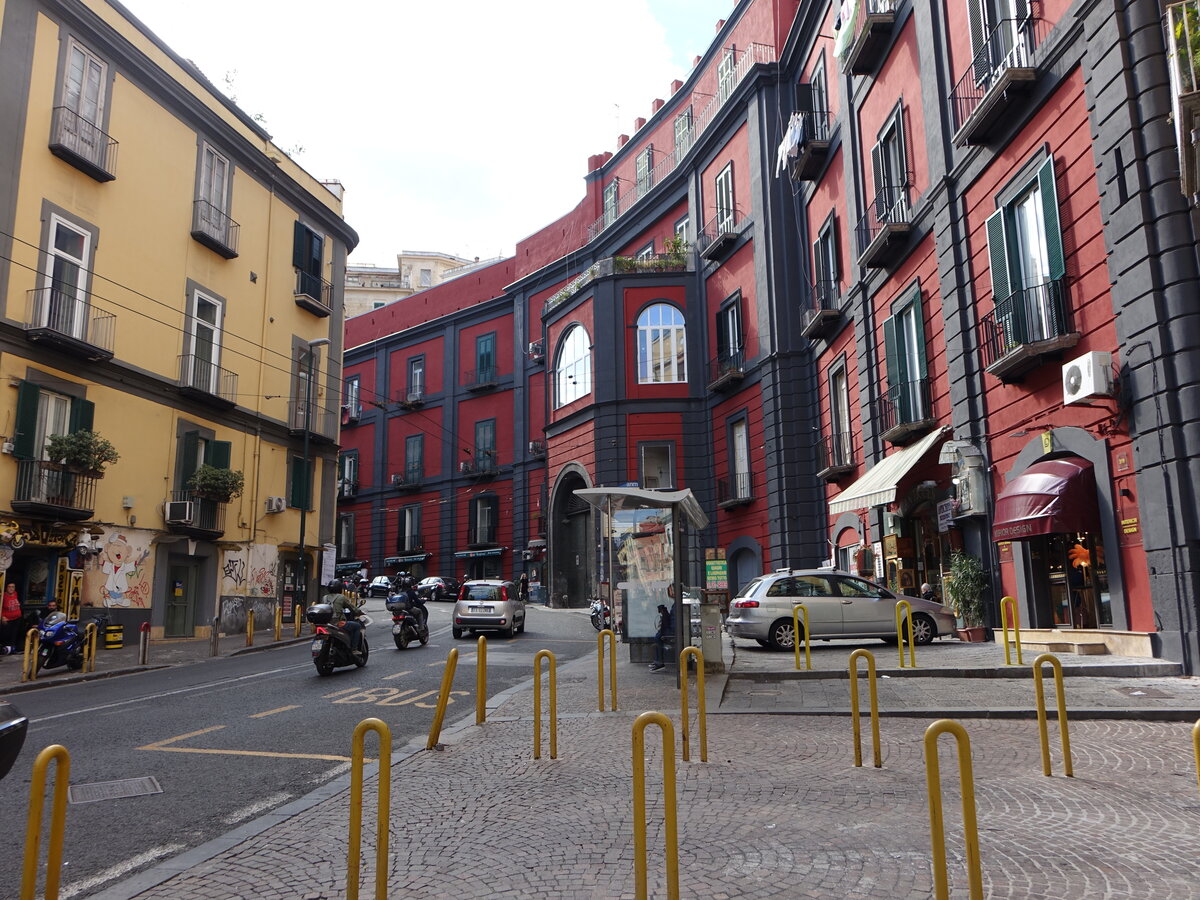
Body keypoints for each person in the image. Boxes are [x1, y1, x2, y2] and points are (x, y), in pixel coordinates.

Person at [322, 580, 365, 657]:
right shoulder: (341, 597)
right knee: (357, 626)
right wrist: (360, 612)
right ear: (340, 588)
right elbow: (352, 608)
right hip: (338, 623)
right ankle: (354, 649)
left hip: (326, 624)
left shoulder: (325, 598)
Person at [650, 602, 673, 671]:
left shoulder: (665, 616)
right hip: (662, 634)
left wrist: (662, 635)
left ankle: (659, 662)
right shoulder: (665, 615)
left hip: (662, 635)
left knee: (658, 647)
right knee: (657, 647)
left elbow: (664, 627)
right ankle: (657, 661)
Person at [0, 583, 22, 654]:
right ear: (6, 588)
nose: (11, 588)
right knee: (6, 635)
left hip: (17, 618)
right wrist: (2, 616)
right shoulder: (3, 596)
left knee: (14, 634)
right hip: (7, 620)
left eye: (13, 587)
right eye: (9, 587)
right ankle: (4, 650)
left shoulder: (15, 594)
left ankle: (12, 649)